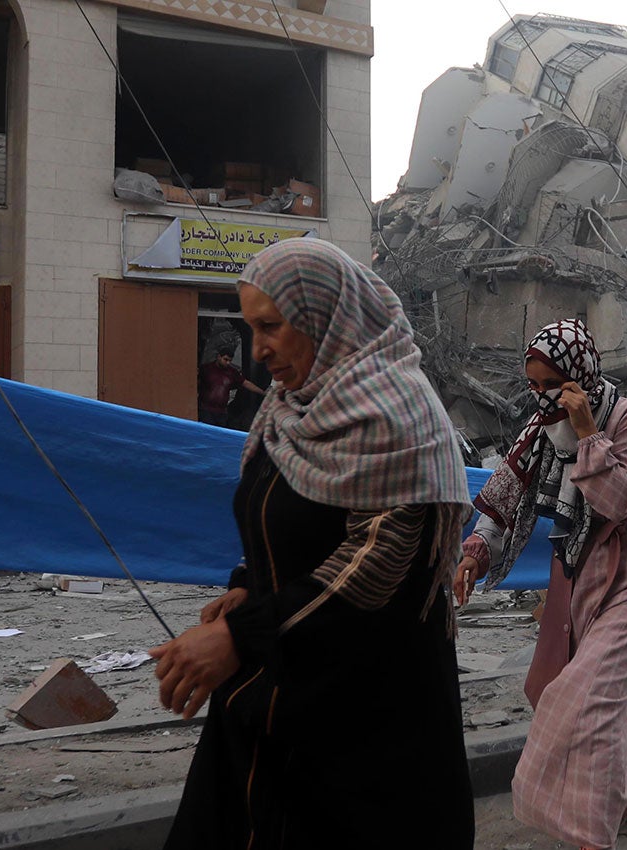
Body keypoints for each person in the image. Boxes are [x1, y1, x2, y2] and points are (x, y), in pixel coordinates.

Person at [151, 239, 475, 849]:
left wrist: (238, 636)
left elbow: (376, 567)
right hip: (277, 695)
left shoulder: (401, 417)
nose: (258, 348)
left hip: (364, 731)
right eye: (251, 328)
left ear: (324, 315)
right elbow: (285, 520)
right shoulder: (289, 406)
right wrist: (247, 586)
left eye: (271, 326)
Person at [452, 319, 627, 850]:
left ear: (578, 375)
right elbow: (509, 491)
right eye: (534, 385)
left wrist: (589, 434)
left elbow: (626, 503)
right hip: (573, 573)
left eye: (552, 383)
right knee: (560, 691)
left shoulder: (625, 418)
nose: (543, 396)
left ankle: (590, 835)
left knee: (584, 700)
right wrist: (477, 552)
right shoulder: (539, 430)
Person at [196, 348, 262, 428]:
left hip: (222, 412)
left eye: (230, 360)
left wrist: (262, 392)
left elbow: (245, 383)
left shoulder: (232, 372)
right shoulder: (206, 369)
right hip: (206, 410)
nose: (228, 363)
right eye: (225, 359)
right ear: (219, 357)